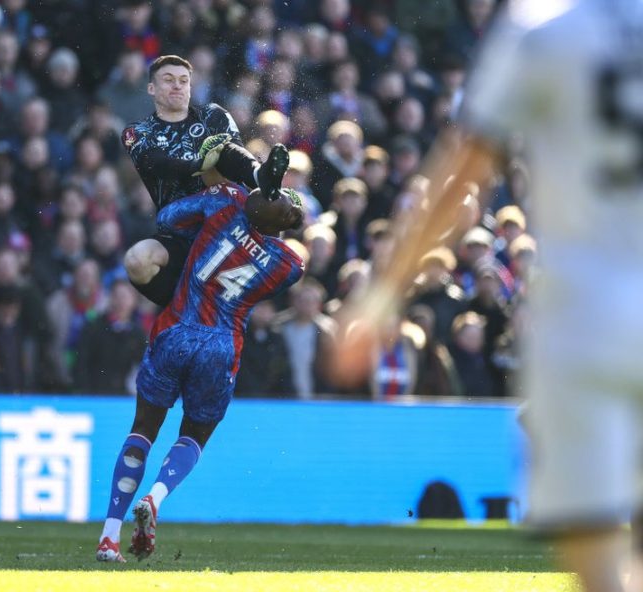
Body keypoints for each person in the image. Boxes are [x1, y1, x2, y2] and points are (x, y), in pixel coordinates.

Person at [332, 2, 643, 590]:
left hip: (586, 315)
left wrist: (378, 300)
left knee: (599, 565)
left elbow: (463, 173)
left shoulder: (541, 26)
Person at [96, 183, 305, 563]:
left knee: (142, 429)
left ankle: (109, 537)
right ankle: (155, 497)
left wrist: (234, 190)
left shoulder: (225, 205)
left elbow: (168, 219)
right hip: (221, 345)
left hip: (176, 327)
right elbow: (276, 237)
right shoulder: (286, 265)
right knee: (194, 436)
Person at [121, 54, 291, 307]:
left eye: (183, 80)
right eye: (168, 80)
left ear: (191, 86)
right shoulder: (137, 132)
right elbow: (155, 163)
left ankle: (261, 176)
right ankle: (181, 305)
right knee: (136, 260)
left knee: (221, 151)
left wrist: (212, 164)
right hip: (178, 233)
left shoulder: (212, 115)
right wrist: (198, 165)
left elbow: (232, 159)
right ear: (151, 88)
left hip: (227, 228)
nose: (177, 86)